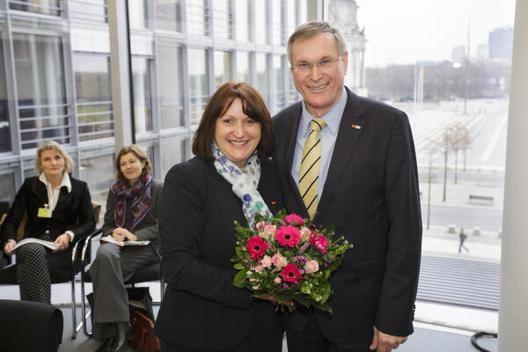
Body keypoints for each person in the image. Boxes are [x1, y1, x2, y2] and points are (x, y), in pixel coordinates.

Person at [273, 22, 422, 352]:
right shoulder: (278, 128)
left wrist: (394, 316)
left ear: (345, 61)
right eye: (304, 65)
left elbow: (406, 227)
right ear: (292, 70)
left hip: (362, 317)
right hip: (298, 316)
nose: (315, 75)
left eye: (325, 61)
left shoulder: (388, 125)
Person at [155, 82, 284, 352]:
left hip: (262, 334)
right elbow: (178, 267)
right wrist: (255, 287)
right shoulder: (186, 179)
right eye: (228, 120)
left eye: (250, 121)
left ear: (262, 127)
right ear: (211, 125)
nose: (240, 132)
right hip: (199, 335)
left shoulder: (273, 176)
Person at [0, 140, 95, 304]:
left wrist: (69, 235)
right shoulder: (30, 185)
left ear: (65, 160)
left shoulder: (79, 188)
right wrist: (10, 239)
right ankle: (44, 315)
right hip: (32, 244)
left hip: (65, 252)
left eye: (57, 157)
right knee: (33, 251)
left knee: (26, 268)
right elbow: (11, 220)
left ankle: (34, 316)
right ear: (40, 164)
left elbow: (89, 222)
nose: (53, 163)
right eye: (47, 159)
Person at [89, 144, 162, 352]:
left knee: (100, 270)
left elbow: (164, 225)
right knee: (104, 253)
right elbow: (108, 224)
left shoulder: (158, 188)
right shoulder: (115, 191)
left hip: (147, 246)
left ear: (143, 162)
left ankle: (110, 331)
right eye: (123, 163)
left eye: (132, 161)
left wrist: (136, 235)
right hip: (118, 245)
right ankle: (123, 326)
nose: (128, 166)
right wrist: (114, 233)